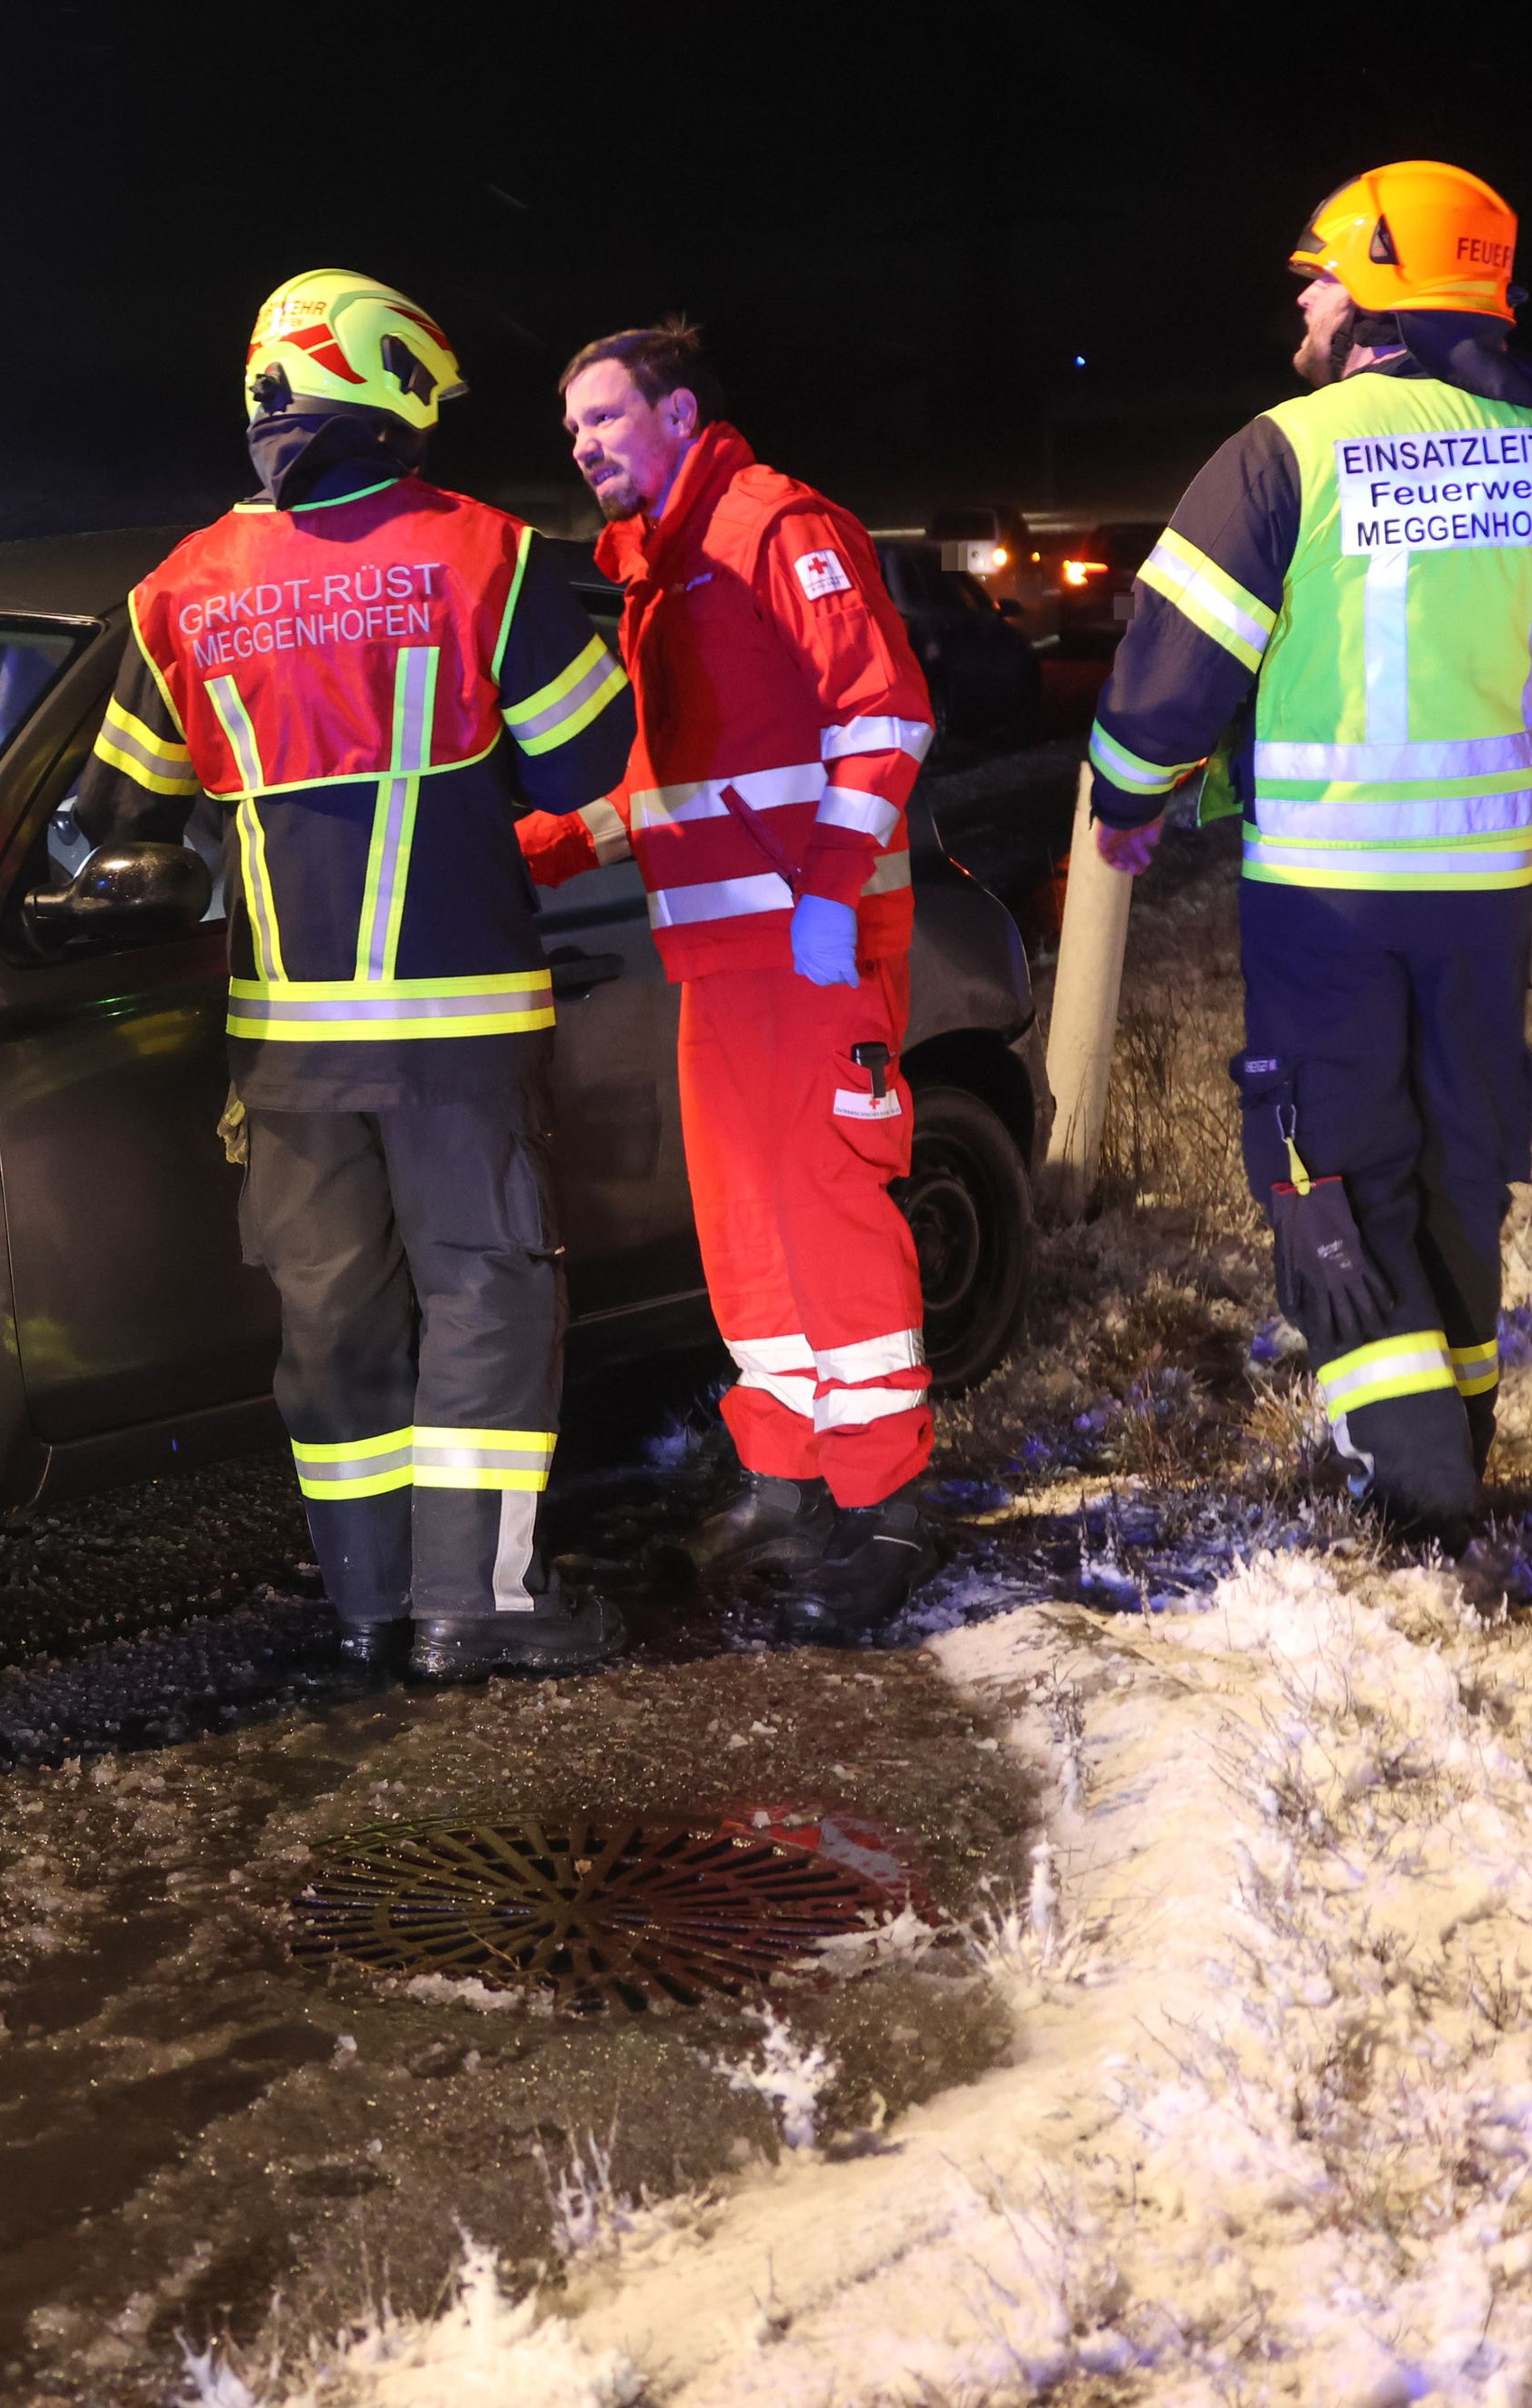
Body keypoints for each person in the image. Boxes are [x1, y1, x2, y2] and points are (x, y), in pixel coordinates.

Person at [1082, 163, 1532, 1542]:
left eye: (1318, 270)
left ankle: (1419, 1489)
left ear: (1377, 282)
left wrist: (1128, 799)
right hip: (1489, 893)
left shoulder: (1288, 448)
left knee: (1329, 1168)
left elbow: (1169, 674)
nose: (1299, 295)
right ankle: (1461, 1432)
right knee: (1465, 1156)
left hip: (1331, 895)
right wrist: (1515, 362)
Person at [65, 270, 636, 1680]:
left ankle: (370, 1604)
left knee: (332, 1327)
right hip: (460, 1037)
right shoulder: (482, 557)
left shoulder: (177, 595)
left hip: (286, 1059)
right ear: (383, 388)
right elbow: (587, 758)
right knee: (487, 1298)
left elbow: (114, 817)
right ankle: (477, 1607)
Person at [517, 320, 939, 1638]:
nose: (585, 443)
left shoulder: (767, 525)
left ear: (680, 409)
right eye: (573, 426)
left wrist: (828, 889)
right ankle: (786, 1481)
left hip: (810, 951)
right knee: (747, 1226)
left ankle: (889, 1511)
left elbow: (886, 715)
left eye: (605, 416)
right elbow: (662, 778)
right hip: (723, 959)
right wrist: (528, 850)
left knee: (829, 1214)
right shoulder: (663, 569)